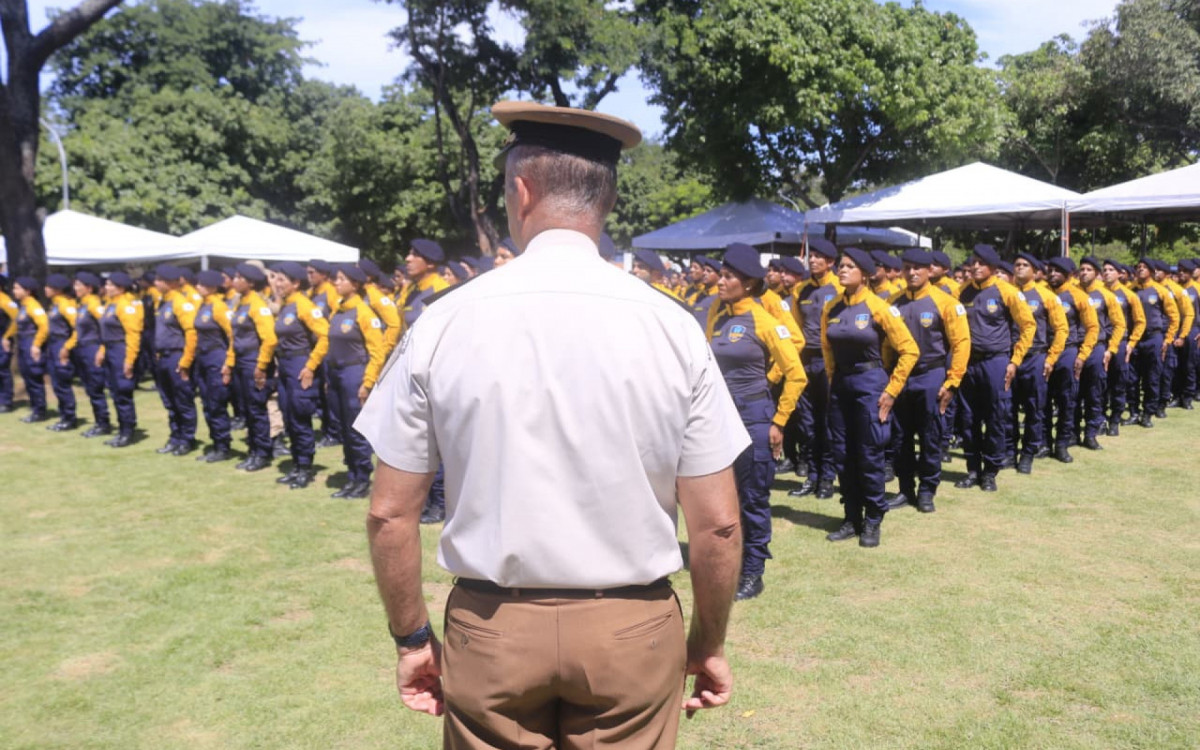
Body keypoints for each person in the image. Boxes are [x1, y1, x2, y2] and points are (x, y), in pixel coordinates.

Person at [356, 100, 746, 748]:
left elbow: (389, 515)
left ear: (521, 189)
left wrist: (412, 638)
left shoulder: (445, 321)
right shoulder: (674, 326)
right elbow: (720, 522)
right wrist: (707, 641)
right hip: (631, 629)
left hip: (492, 630)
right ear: (609, 199)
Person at [706, 243, 806, 599]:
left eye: (729, 276)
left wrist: (778, 421)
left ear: (748, 283)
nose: (720, 280)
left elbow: (796, 374)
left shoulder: (765, 321)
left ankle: (753, 572)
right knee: (724, 499)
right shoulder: (718, 315)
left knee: (752, 498)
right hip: (721, 420)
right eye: (721, 273)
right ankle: (731, 564)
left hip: (754, 418)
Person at [821, 248, 919, 546]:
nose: (842, 270)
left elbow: (910, 350)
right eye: (840, 266)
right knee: (843, 453)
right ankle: (852, 517)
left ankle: (874, 517)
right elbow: (827, 348)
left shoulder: (879, 307)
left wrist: (891, 390)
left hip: (870, 383)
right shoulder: (832, 308)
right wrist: (832, 382)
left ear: (863, 273)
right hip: (841, 385)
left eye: (849, 266)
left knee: (869, 453)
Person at [887, 249, 970, 512]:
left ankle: (927, 490)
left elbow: (961, 343)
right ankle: (905, 489)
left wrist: (952, 382)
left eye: (918, 268)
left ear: (928, 270)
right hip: (901, 377)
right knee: (900, 437)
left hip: (931, 375)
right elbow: (886, 346)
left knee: (930, 435)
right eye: (907, 267)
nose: (912, 273)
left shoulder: (945, 302)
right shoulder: (893, 303)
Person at [953, 245, 1035, 492]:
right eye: (973, 262)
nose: (975, 266)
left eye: (981, 262)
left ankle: (990, 472)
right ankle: (972, 469)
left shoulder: (1006, 291)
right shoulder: (961, 292)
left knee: (996, 417)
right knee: (968, 419)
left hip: (996, 362)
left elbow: (1028, 326)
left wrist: (1015, 360)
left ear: (992, 267)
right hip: (969, 363)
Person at [787, 237, 842, 500]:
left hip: (829, 360)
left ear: (830, 262)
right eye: (811, 256)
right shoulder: (801, 290)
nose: (813, 260)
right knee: (807, 424)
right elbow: (796, 327)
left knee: (828, 421)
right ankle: (812, 474)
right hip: (806, 359)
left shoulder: (840, 287)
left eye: (819, 256)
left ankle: (827, 478)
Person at [327, 264, 385, 499]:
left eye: (341, 279)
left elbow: (377, 351)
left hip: (354, 374)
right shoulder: (338, 310)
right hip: (337, 374)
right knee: (342, 426)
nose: (336, 283)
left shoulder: (364, 312)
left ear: (355, 284)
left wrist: (367, 382)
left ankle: (362, 477)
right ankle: (352, 474)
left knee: (355, 428)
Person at [271, 261, 330, 489]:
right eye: (276, 279)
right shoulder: (287, 304)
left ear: (296, 283)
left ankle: (305, 467)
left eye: (282, 280)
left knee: (300, 417)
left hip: (300, 364)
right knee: (288, 416)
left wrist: (310, 366)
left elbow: (325, 336)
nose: (277, 283)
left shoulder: (304, 305)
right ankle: (296, 464)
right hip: (285, 365)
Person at [1009, 253, 1067, 473]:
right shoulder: (1008, 293)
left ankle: (1028, 453)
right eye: (1017, 265)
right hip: (1010, 357)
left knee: (1034, 408)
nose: (1020, 269)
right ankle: (1009, 450)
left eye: (1025, 265)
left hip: (1035, 357)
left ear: (1035, 271)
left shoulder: (1046, 296)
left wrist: (1051, 358)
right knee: (1008, 408)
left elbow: (1061, 329)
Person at [1042, 257, 1099, 464]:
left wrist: (1082, 355)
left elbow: (1093, 328)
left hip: (1068, 352)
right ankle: (1044, 442)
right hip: (1044, 351)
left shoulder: (1078, 296)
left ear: (1068, 274)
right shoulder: (1042, 293)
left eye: (1058, 271)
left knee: (1067, 400)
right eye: (1051, 270)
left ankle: (1062, 444)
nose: (1053, 274)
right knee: (1043, 400)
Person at [225, 263, 277, 472]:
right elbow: (234, 338)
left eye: (240, 277)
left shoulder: (257, 304)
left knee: (256, 409)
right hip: (240, 362)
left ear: (251, 282)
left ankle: (262, 452)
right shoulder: (240, 303)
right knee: (247, 410)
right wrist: (228, 364)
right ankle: (254, 450)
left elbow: (270, 339)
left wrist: (261, 365)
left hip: (253, 363)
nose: (235, 280)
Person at [1076, 257, 1126, 449]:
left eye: (1089, 269)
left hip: (1097, 348)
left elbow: (1119, 325)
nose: (1084, 272)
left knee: (1094, 392)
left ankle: (1090, 433)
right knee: (1073, 393)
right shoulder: (1072, 293)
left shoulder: (1106, 295)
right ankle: (1072, 433)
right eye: (1082, 269)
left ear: (1096, 274)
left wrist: (1111, 350)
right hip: (1075, 347)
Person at [151, 266, 199, 455]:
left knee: (182, 400)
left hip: (177, 356)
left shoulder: (181, 303)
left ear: (170, 283)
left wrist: (186, 361)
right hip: (163, 357)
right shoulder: (163, 302)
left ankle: (187, 439)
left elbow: (191, 332)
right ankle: (175, 437)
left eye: (159, 280)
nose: (156, 283)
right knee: (169, 401)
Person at [1128, 258, 1178, 427]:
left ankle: (1148, 412)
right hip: (1134, 339)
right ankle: (1134, 412)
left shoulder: (1160, 290)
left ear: (1151, 270)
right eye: (1138, 267)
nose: (1140, 269)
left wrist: (1168, 339)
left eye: (1144, 267)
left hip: (1153, 338)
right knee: (1132, 377)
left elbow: (1174, 317)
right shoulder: (1130, 290)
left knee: (1152, 377)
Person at [97, 272, 144, 447]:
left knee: (123, 392)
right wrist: (102, 350)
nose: (107, 288)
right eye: (107, 285)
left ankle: (128, 431)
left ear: (121, 288)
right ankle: (122, 428)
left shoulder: (125, 305)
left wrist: (129, 360)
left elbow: (133, 335)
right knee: (115, 391)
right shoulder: (111, 304)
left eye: (111, 285)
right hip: (110, 349)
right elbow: (106, 332)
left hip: (120, 350)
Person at [192, 270, 235, 462]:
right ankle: (216, 443)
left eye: (201, 284)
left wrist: (229, 362)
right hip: (203, 359)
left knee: (217, 404)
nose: (197, 287)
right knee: (207, 404)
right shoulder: (203, 305)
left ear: (210, 285)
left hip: (216, 359)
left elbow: (232, 335)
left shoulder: (219, 307)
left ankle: (223, 446)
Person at [66, 271, 113, 437]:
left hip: (92, 349)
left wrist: (102, 348)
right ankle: (99, 421)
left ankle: (103, 423)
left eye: (79, 285)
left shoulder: (93, 304)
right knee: (90, 388)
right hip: (82, 349)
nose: (75, 288)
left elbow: (106, 327)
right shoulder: (82, 304)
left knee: (95, 387)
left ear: (89, 287)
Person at [1101, 259, 1145, 435]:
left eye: (1111, 269)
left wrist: (1131, 344)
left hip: (1120, 343)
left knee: (1118, 382)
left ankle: (1115, 420)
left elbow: (1140, 322)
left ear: (1120, 273)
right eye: (1104, 270)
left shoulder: (1129, 295)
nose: (1107, 273)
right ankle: (1101, 418)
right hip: (1100, 343)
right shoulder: (1097, 293)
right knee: (1100, 383)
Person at [42, 274, 80, 431]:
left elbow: (78, 329)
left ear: (58, 289)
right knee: (56, 383)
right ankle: (64, 415)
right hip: (53, 344)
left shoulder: (65, 305)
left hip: (61, 344)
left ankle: (69, 418)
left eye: (48, 287)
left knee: (62, 383)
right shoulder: (55, 304)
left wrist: (67, 347)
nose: (45, 289)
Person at [11, 277, 50, 423]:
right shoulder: (23, 305)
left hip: (30, 343)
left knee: (34, 377)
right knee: (27, 377)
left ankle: (40, 411)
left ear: (27, 291)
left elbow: (44, 326)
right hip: (22, 343)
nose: (14, 291)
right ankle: (35, 408)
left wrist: (36, 344)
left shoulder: (34, 306)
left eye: (17, 288)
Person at [0, 274, 17, 413]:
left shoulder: (6, 301)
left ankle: (6, 402)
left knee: (3, 371)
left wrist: (7, 336)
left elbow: (16, 320)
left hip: (2, 340)